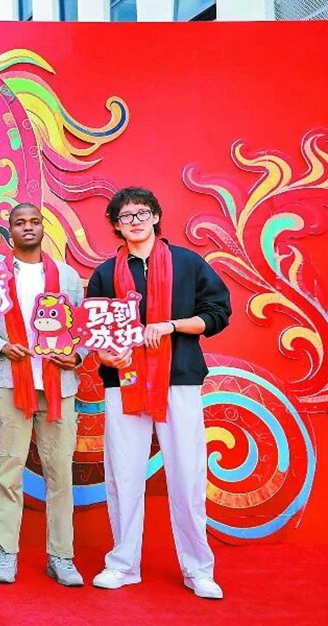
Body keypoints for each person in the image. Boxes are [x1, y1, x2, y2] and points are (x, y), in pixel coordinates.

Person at [86, 186, 231, 599]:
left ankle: (198, 569)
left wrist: (171, 326)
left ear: (155, 216)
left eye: (142, 213)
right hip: (125, 382)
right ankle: (123, 564)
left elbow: (218, 313)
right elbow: (95, 332)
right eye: (125, 216)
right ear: (116, 225)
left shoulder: (188, 263)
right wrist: (106, 354)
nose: (134, 221)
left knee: (187, 474)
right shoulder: (105, 274)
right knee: (123, 473)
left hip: (178, 378)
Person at [0, 203, 85, 587]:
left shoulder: (67, 276)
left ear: (42, 228)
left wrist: (77, 356)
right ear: (10, 230)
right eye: (20, 223)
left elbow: (82, 327)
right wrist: (1, 346)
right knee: (7, 471)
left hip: (58, 386)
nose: (28, 227)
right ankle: (6, 553)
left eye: (34, 221)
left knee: (60, 473)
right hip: (9, 383)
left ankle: (61, 556)